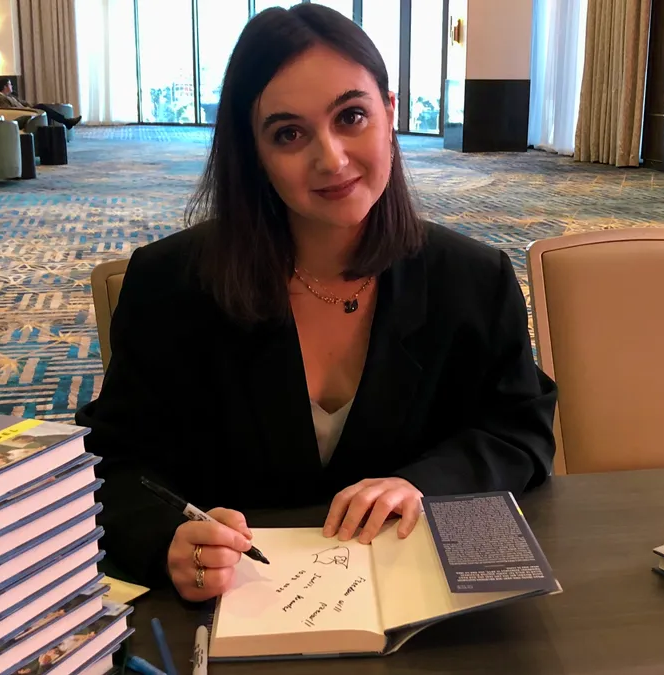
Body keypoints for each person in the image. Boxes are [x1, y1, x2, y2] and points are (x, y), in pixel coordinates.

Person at [73, 4, 557, 602]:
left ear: (390, 114)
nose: (331, 158)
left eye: (351, 116)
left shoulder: (472, 278)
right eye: (289, 133)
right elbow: (113, 463)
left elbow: (519, 432)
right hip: (233, 611)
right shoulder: (172, 284)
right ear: (254, 151)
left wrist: (423, 485)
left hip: (424, 609)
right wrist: (163, 537)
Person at [0, 78, 82, 129]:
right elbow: (8, 111)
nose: (12, 86)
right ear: (5, 86)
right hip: (22, 116)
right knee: (41, 107)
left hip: (27, 112)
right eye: (10, 84)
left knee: (43, 110)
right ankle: (66, 122)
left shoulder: (10, 96)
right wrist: (27, 109)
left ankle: (55, 132)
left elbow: (24, 103)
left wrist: (30, 107)